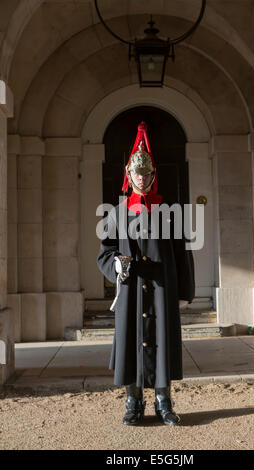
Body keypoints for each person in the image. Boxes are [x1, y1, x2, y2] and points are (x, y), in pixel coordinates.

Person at [97, 122, 195, 426]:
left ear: (153, 175)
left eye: (146, 173)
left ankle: (163, 402)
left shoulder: (169, 209)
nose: (142, 177)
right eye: (137, 173)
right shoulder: (117, 211)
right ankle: (133, 402)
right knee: (131, 342)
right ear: (130, 175)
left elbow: (181, 252)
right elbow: (105, 250)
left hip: (162, 287)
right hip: (131, 288)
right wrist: (114, 264)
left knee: (162, 343)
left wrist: (183, 292)